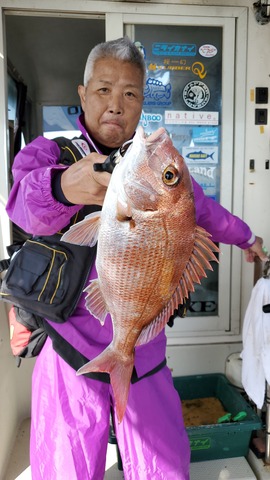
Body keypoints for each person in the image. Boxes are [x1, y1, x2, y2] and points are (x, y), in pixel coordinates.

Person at [6, 36, 267, 480]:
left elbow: (207, 213)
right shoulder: (52, 154)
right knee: (64, 467)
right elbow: (21, 203)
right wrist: (66, 185)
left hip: (142, 347)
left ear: (142, 103)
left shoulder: (162, 177)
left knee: (163, 466)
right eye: (104, 89)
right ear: (83, 95)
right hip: (68, 349)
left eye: (129, 93)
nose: (116, 104)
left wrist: (249, 239)